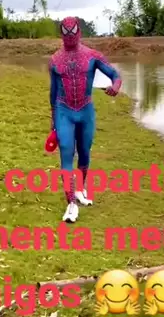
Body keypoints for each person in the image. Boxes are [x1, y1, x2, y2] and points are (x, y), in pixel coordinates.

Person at [49, 16, 122, 222]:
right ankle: (71, 203)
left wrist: (115, 87)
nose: (70, 37)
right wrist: (53, 120)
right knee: (66, 152)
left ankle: (80, 189)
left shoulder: (92, 56)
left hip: (85, 110)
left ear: (79, 32)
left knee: (84, 152)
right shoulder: (55, 61)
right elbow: (53, 93)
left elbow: (115, 74)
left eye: (73, 33)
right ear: (61, 34)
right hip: (64, 110)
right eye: (66, 34)